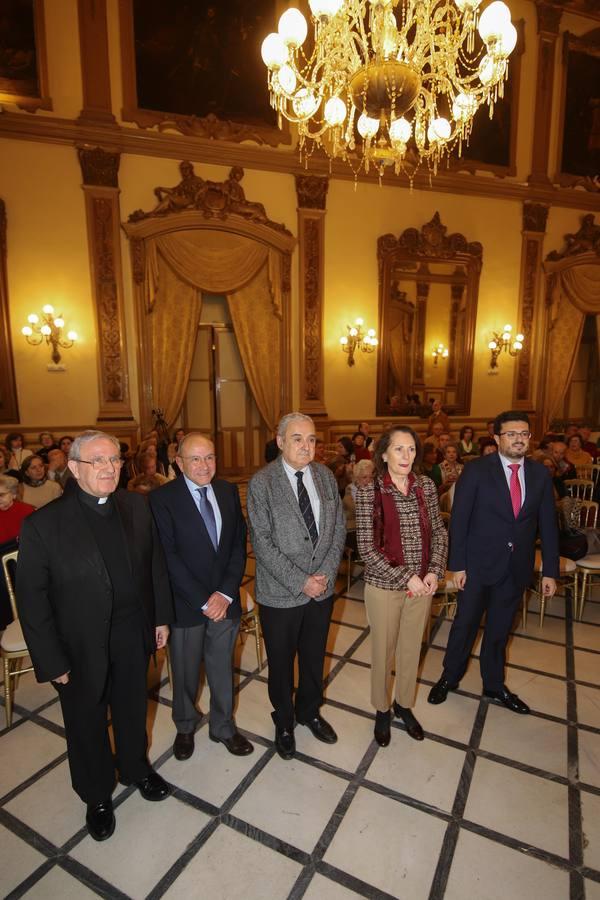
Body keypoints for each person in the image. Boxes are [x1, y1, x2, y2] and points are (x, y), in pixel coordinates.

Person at [17, 431, 173, 841]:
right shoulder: (43, 525)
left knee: (132, 707)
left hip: (132, 632)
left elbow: (155, 565)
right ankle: (97, 794)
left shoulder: (136, 506)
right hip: (78, 644)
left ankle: (136, 768)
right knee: (86, 722)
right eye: (97, 461)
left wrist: (160, 618)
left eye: (115, 460)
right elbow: (32, 603)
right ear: (73, 467)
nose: (109, 468)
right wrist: (51, 660)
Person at [428, 411, 559, 714]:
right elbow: (459, 520)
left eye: (524, 433)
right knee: (465, 625)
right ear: (498, 438)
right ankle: (449, 677)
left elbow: (548, 526)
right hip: (477, 566)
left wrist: (549, 571)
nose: (518, 439)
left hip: (516, 568)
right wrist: (457, 566)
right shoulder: (476, 470)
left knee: (500, 630)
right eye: (511, 434)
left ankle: (494, 684)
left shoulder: (540, 474)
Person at [247, 413, 346, 760]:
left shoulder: (326, 476)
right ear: (280, 442)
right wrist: (301, 581)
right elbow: (261, 542)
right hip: (280, 593)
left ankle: (309, 711)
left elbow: (338, 529)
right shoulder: (262, 482)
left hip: (322, 589)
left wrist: (325, 575)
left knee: (314, 656)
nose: (306, 446)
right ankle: (284, 721)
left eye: (312, 439)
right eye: (297, 438)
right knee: (281, 662)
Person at [150, 433, 253, 759]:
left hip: (225, 601)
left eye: (209, 457)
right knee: (184, 671)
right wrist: (205, 600)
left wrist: (224, 593)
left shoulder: (226, 490)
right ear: (179, 463)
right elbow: (167, 556)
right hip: (185, 603)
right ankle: (184, 725)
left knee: (222, 668)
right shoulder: (161, 499)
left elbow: (237, 545)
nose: (204, 465)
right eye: (195, 459)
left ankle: (223, 726)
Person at [356, 427, 447, 746]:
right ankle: (382, 709)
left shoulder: (426, 486)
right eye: (399, 449)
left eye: (411, 449)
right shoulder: (369, 490)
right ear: (384, 454)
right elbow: (366, 548)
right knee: (384, 652)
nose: (406, 455)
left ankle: (403, 705)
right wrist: (406, 576)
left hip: (422, 586)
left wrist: (434, 571)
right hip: (384, 586)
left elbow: (439, 532)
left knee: (411, 649)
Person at [343, 458, 374, 554]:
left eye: (371, 477)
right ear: (357, 478)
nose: (368, 481)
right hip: (354, 529)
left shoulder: (374, 490)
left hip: (370, 530)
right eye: (364, 477)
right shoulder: (351, 490)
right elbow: (359, 512)